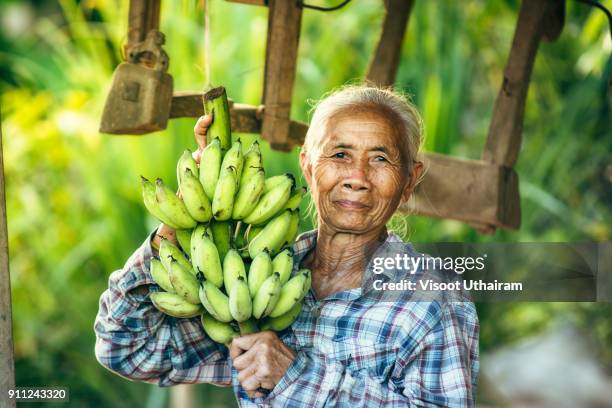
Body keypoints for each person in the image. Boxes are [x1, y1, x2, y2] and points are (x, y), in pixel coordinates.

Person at [94, 85, 479, 407]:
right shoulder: (256, 277)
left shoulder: (434, 303)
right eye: (340, 155)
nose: (357, 178)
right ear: (309, 166)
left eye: (380, 158)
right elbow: (127, 348)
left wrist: (296, 376)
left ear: (410, 179)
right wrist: (183, 214)